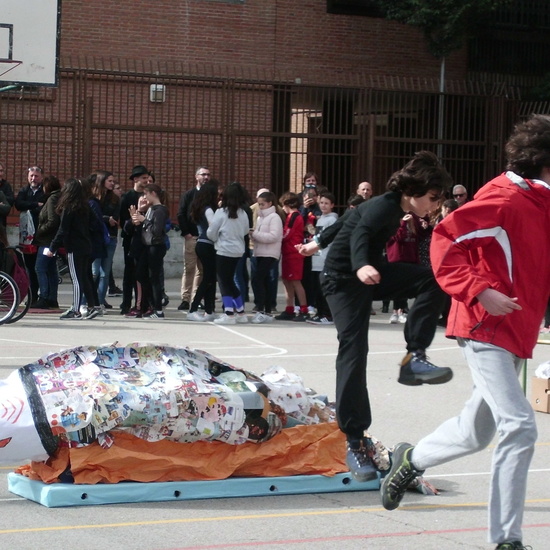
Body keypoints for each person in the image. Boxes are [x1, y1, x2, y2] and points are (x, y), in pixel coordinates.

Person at [380, 115, 550, 550]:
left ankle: (410, 460)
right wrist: (480, 290)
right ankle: (506, 540)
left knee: (476, 432)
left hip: (516, 331)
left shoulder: (542, 205)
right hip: (484, 328)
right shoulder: (505, 200)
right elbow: (444, 240)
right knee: (520, 425)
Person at [297, 151, 453, 482]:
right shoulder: (385, 207)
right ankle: (354, 440)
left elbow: (347, 219)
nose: (435, 205)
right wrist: (360, 264)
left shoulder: (388, 205)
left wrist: (317, 242)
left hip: (370, 274)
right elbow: (359, 235)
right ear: (413, 190)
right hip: (343, 282)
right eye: (432, 198)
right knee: (354, 348)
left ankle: (415, 356)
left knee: (433, 278)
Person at [48, 178, 101, 320]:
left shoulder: (69, 207)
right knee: (84, 277)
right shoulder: (85, 206)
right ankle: (92, 307)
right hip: (86, 245)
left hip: (74, 247)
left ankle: (76, 310)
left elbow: (62, 230)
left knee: (76, 279)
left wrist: (52, 247)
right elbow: (95, 223)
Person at [207, 182, 250, 325]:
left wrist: (216, 239)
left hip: (224, 250)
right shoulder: (243, 213)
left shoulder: (221, 212)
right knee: (230, 281)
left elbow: (211, 232)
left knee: (224, 282)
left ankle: (229, 313)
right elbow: (245, 231)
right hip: (238, 250)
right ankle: (241, 311)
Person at [131, 183, 169, 319]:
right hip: (148, 245)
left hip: (156, 246)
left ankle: (157, 309)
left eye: (146, 194)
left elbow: (156, 230)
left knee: (154, 277)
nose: (144, 197)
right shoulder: (151, 208)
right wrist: (139, 218)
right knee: (141, 273)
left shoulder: (160, 210)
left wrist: (144, 220)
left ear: (153, 193)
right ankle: (152, 304)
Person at [177, 166, 210, 311]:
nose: (206, 177)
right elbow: (181, 213)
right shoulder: (189, 194)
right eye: (203, 174)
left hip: (206, 238)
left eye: (208, 175)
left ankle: (197, 297)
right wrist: (186, 232)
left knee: (201, 270)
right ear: (196, 176)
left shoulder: (210, 196)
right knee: (189, 268)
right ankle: (185, 298)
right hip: (192, 236)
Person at [186, 181, 219, 322]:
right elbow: (213, 227)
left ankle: (209, 309)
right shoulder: (208, 209)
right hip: (207, 244)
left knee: (211, 278)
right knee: (207, 278)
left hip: (202, 243)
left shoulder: (200, 208)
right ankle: (193, 308)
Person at [275, 192, 309, 322]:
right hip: (288, 252)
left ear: (287, 204)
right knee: (287, 280)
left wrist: (277, 237)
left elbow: (287, 234)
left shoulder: (294, 216)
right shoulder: (292, 216)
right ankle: (290, 308)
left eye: (283, 205)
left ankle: (304, 310)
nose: (282, 208)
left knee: (295, 281)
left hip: (294, 252)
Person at [119, 165, 149, 315]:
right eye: (143, 178)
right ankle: (126, 303)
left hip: (144, 239)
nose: (146, 180)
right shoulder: (127, 197)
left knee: (141, 273)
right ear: (136, 179)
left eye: (147, 178)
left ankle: (141, 304)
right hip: (130, 239)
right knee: (129, 273)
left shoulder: (148, 196)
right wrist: (132, 221)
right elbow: (123, 221)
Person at [250, 191, 283, 324]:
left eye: (262, 204)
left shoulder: (274, 217)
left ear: (269, 203)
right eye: (259, 204)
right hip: (260, 251)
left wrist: (256, 234)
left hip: (270, 253)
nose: (260, 207)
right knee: (262, 281)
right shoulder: (260, 217)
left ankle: (263, 309)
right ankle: (266, 309)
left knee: (259, 279)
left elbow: (274, 236)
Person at [15, 166, 45, 304]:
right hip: (26, 235)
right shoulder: (24, 190)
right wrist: (34, 204)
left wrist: (33, 206)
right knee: (29, 266)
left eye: (36, 176)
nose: (33, 178)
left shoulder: (44, 191)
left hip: (40, 233)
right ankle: (32, 295)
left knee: (40, 267)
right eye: (31, 176)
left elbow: (43, 207)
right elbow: (19, 204)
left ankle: (43, 295)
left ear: (41, 177)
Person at [307, 192, 338, 325]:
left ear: (332, 205)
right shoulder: (320, 219)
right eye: (321, 203)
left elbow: (329, 239)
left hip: (326, 257)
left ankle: (327, 314)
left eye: (326, 203)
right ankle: (320, 313)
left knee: (324, 288)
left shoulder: (332, 220)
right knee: (316, 287)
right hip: (317, 257)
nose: (323, 206)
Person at [91, 171, 120, 311]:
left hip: (111, 237)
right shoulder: (93, 197)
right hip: (95, 238)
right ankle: (90, 301)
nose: (112, 183)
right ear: (102, 181)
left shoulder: (115, 198)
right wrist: (106, 219)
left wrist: (108, 218)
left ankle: (100, 302)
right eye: (110, 180)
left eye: (113, 181)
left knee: (105, 272)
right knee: (94, 271)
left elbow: (116, 218)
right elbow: (92, 216)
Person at [32, 176, 61, 309]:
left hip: (47, 240)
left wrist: (39, 232)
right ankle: (52, 298)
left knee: (40, 268)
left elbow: (52, 221)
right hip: (51, 240)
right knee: (51, 269)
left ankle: (44, 297)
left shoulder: (52, 199)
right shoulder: (57, 197)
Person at [107, 180, 124, 297]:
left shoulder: (118, 202)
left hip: (112, 234)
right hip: (106, 235)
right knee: (104, 266)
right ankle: (111, 287)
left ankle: (111, 287)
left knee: (108, 264)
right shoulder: (108, 202)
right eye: (117, 188)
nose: (120, 190)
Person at [0, 162, 14, 228]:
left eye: (1, 171)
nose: (0, 174)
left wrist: (3, 199)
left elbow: (11, 200)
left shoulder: (6, 185)